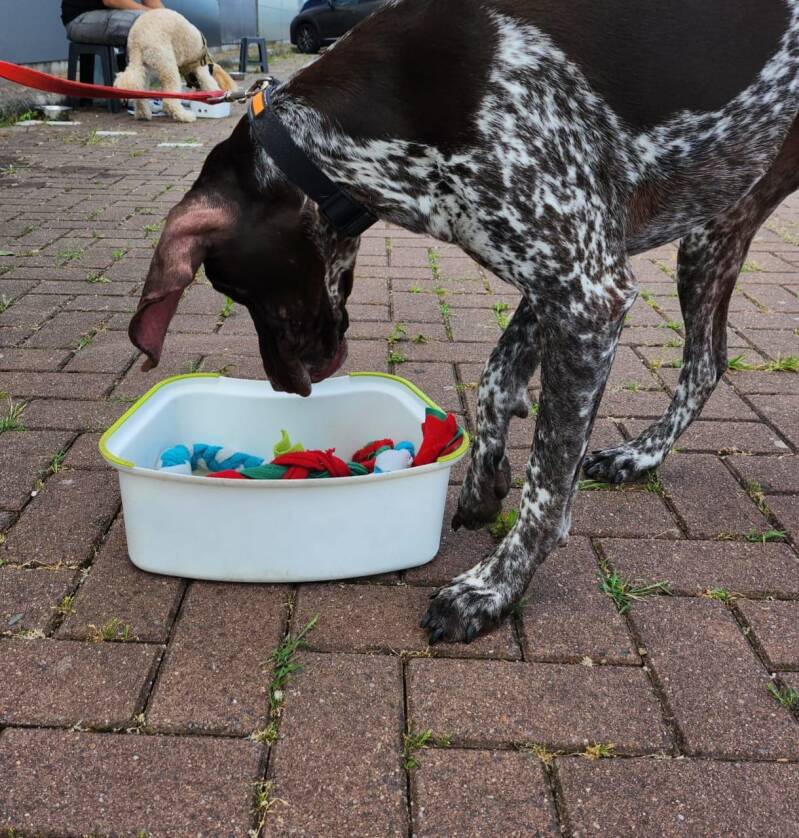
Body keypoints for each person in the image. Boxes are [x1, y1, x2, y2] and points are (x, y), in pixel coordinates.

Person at [61, 0, 165, 47]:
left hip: (111, 14)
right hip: (79, 17)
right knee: (140, 23)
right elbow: (112, 1)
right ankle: (130, 84)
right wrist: (151, 15)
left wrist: (170, 19)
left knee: (165, 22)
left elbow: (153, 2)